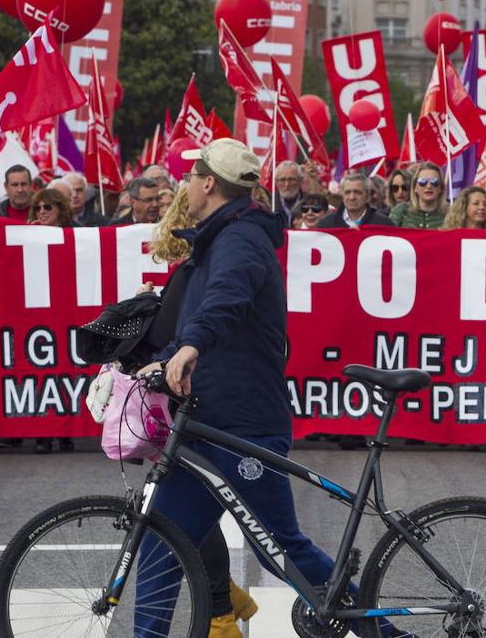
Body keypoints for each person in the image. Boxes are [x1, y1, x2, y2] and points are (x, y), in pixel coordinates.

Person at [135, 139, 366, 636]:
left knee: (282, 549)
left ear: (208, 183)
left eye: (190, 178)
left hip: (242, 423)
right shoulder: (216, 238)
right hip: (203, 423)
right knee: (160, 547)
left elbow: (226, 300)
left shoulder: (240, 240)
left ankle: (385, 631)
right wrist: (153, 364)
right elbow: (194, 316)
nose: (185, 187)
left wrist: (191, 345)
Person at [142, 185, 260, 636]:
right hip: (183, 389)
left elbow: (195, 320)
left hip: (202, 393)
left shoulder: (211, 256)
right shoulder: (193, 259)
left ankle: (221, 608)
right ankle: (223, 599)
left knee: (191, 507)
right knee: (187, 505)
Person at [25, 188, 77, 454]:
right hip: (37, 314)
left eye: (48, 207)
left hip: (66, 311)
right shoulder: (25, 236)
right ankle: (42, 434)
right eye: (38, 208)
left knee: (66, 371)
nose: (42, 212)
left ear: (60, 210)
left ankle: (66, 432)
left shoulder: (78, 235)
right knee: (39, 375)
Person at [316, 173, 393, 229]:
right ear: (342, 194)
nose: (352, 197)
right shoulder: (325, 224)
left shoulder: (384, 224)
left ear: (368, 196)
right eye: (347, 192)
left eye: (357, 192)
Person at [388, 162, 448, 229]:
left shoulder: (451, 213)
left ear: (441, 188)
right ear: (415, 188)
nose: (428, 186)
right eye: (422, 181)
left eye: (434, 181)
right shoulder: (401, 211)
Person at [274, 162, 304, 226]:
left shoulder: (309, 202)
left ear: (300, 180)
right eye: (282, 180)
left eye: (291, 179)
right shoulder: (269, 203)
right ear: (276, 182)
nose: (287, 184)